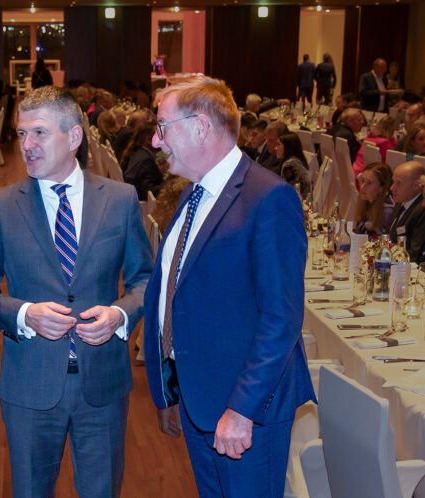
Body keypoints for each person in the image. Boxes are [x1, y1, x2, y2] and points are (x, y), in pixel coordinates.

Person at [0, 85, 152, 497]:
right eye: (22, 134)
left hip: (102, 382)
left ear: (74, 137)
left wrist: (120, 315)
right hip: (29, 384)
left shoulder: (119, 200)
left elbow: (144, 280)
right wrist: (23, 314)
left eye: (39, 133)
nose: (27, 145)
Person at [141, 75, 312, 496]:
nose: (156, 141)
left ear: (200, 127)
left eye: (162, 127)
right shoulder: (193, 194)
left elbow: (281, 319)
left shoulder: (269, 197)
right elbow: (177, 295)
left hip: (244, 410)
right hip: (202, 399)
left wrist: (241, 410)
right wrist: (170, 388)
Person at [387, 161, 425, 261]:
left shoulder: (424, 210)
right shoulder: (402, 200)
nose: (392, 188)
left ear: (416, 185)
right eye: (393, 182)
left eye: (398, 183)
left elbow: (414, 253)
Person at [122, 125, 163, 200]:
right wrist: (170, 187)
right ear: (148, 140)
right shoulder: (146, 161)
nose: (162, 140)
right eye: (159, 137)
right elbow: (149, 192)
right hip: (140, 203)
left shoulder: (139, 153)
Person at [354, 162, 394, 235]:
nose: (362, 187)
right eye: (362, 181)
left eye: (369, 183)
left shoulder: (387, 211)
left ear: (382, 188)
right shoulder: (368, 203)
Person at [277, 132, 311, 197]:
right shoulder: (297, 160)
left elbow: (289, 195)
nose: (276, 148)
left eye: (278, 145)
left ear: (287, 147)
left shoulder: (289, 165)